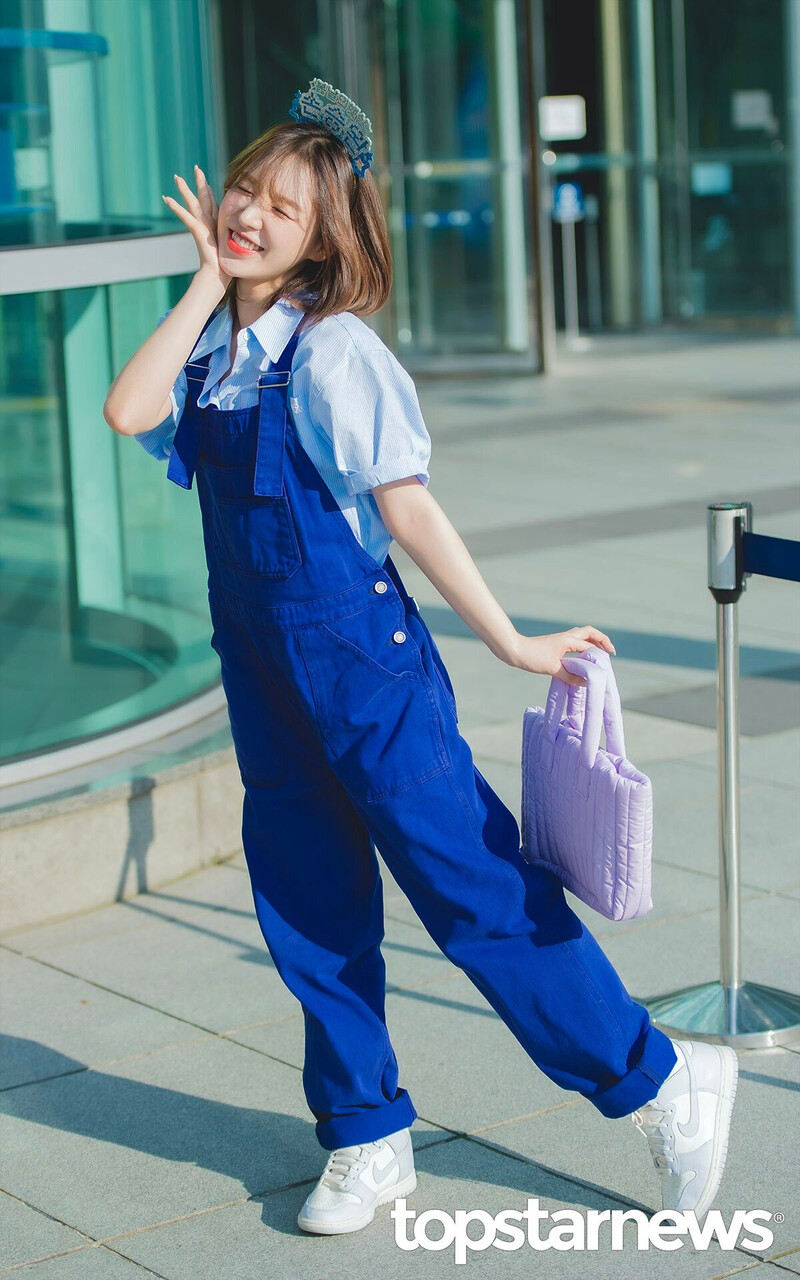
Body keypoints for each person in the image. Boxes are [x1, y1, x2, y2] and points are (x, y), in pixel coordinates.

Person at [104, 79, 738, 1238]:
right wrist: (203, 276)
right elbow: (123, 405)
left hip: (366, 666)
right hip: (262, 669)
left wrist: (507, 636)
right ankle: (363, 1133)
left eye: (279, 212)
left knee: (473, 889)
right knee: (306, 898)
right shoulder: (209, 350)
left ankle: (656, 1079)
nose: (248, 214)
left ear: (322, 241)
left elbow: (407, 508)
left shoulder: (334, 352)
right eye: (244, 189)